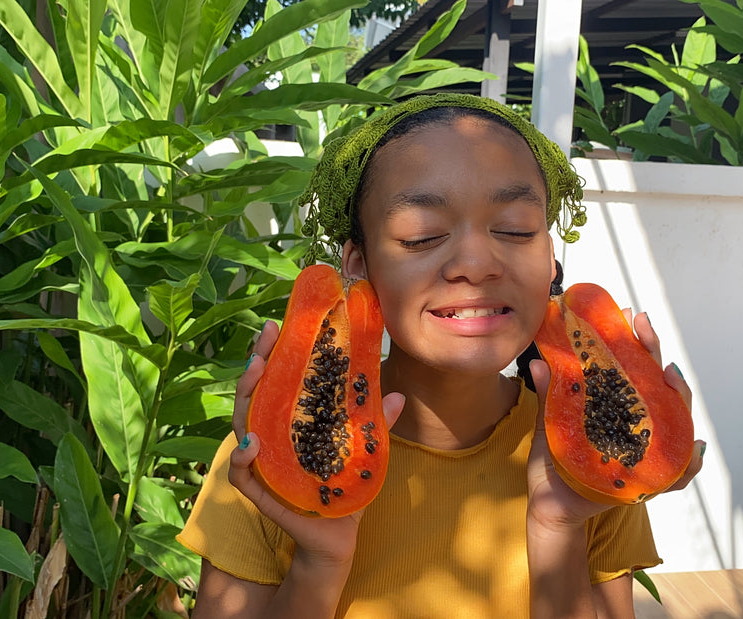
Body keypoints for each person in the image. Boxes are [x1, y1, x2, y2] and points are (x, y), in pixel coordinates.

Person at [178, 94, 704, 618]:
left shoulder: (590, 462)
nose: (475, 264)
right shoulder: (256, 466)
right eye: (422, 236)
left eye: (517, 228)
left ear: (549, 258)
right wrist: (319, 563)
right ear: (358, 264)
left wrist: (558, 527)